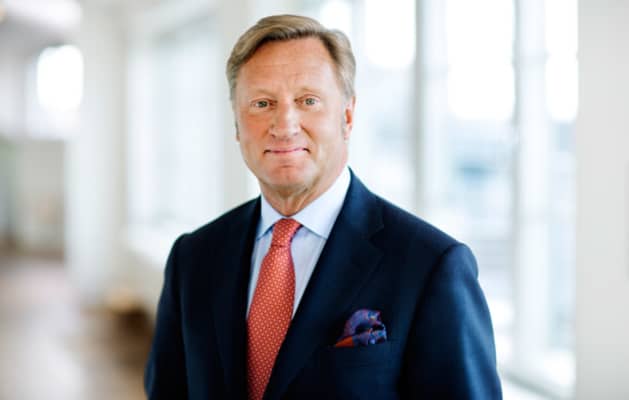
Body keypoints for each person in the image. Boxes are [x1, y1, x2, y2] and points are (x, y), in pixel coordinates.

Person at [145, 14, 502, 400]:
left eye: (308, 101)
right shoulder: (193, 258)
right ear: (236, 124)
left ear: (347, 116)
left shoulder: (431, 266)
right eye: (262, 103)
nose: (284, 125)